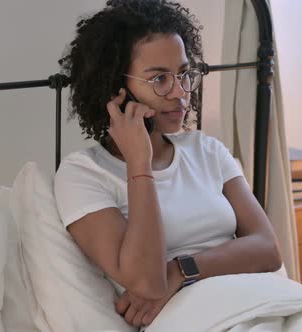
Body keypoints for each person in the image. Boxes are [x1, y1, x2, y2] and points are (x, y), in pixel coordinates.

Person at [54, 0, 282, 328]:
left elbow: (267, 249)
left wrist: (179, 270)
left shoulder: (207, 150)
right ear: (115, 88)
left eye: (184, 74)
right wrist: (139, 164)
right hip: (193, 319)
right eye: (160, 79)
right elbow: (147, 283)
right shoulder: (83, 174)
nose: (181, 94)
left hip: (260, 298)